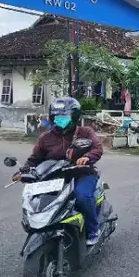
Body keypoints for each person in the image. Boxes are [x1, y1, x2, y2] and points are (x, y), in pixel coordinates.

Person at [13, 96, 104, 245]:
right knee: (40, 200)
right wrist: (23, 171)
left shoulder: (85, 132)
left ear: (74, 116)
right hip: (54, 177)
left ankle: (93, 230)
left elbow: (97, 148)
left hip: (81, 173)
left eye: (64, 116)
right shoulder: (46, 137)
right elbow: (35, 158)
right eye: (57, 116)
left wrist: (87, 157)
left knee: (82, 196)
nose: (60, 119)